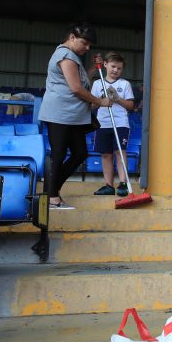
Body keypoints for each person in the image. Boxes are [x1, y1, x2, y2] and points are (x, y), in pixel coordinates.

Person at [38, 23, 113, 209]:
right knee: (59, 154)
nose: (87, 48)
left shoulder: (73, 57)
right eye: (84, 43)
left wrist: (94, 70)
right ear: (72, 37)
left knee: (80, 152)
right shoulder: (65, 55)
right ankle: (52, 197)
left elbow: (81, 80)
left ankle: (49, 190)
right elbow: (76, 88)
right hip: (60, 114)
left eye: (89, 45)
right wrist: (100, 101)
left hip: (73, 116)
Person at [90, 52, 135, 196]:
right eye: (113, 66)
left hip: (120, 123)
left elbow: (130, 106)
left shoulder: (124, 84)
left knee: (120, 152)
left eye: (119, 68)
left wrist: (117, 98)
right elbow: (92, 106)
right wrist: (100, 99)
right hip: (102, 123)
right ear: (105, 65)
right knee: (106, 154)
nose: (115, 70)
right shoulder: (98, 84)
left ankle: (123, 184)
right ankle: (109, 185)